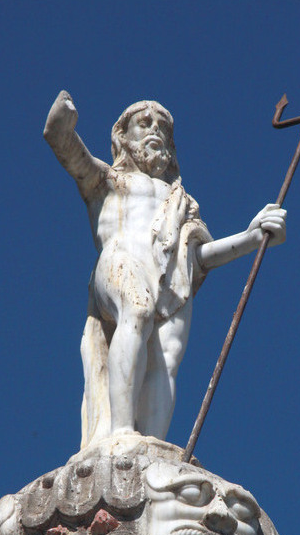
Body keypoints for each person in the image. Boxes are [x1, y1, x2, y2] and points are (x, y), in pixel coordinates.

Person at [44, 91, 286, 448]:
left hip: (173, 278)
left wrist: (251, 238)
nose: (154, 129)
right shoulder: (109, 180)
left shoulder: (183, 202)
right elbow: (67, 149)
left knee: (166, 356)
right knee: (136, 310)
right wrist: (60, 124)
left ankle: (152, 447)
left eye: (162, 127)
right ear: (122, 137)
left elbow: (200, 256)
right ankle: (121, 432)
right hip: (121, 258)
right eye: (144, 123)